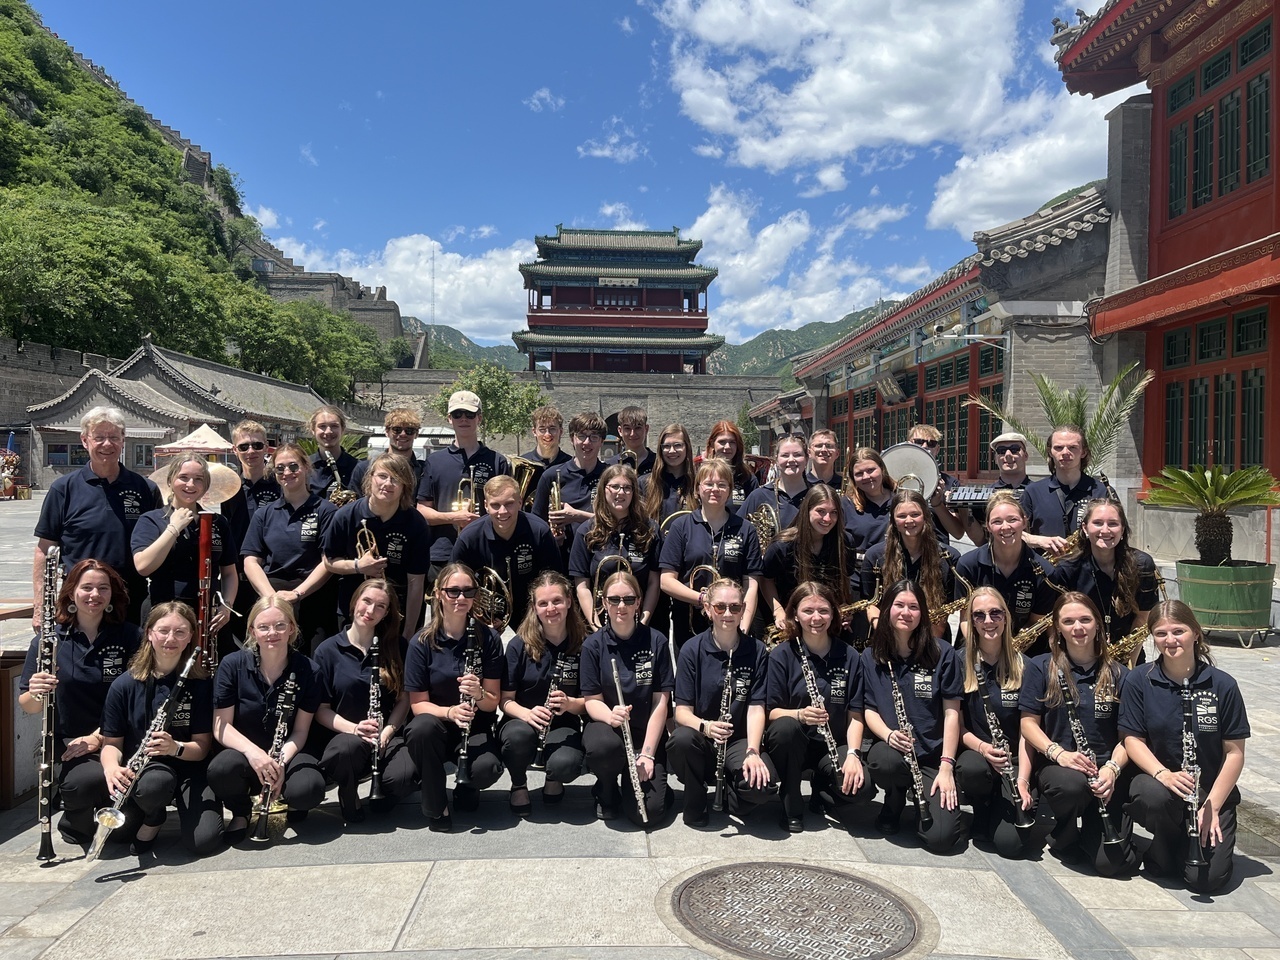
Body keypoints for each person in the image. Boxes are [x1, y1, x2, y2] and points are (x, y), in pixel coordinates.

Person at [1121, 601, 1250, 893]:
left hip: (1209, 790)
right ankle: (1164, 847)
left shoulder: (1223, 685)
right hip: (1162, 783)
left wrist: (1212, 805)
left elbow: (1235, 753)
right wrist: (1163, 774)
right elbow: (1132, 740)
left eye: (1178, 631)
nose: (1170, 640)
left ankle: (1184, 842)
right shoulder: (1139, 679)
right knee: (1151, 797)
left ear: (1195, 633)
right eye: (1160, 633)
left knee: (1207, 881)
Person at [19, 559, 142, 847]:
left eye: (103, 588)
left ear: (112, 594)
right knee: (84, 785)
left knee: (125, 831)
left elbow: (137, 700)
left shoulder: (130, 636)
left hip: (120, 738)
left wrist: (99, 738)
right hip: (71, 745)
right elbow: (28, 704)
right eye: (86, 587)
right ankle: (78, 810)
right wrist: (37, 691)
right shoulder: (48, 641)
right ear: (71, 592)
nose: (95, 595)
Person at [1019, 592, 1138, 875]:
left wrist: (1111, 770)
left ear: (1098, 624)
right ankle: (1065, 832)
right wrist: (1058, 754)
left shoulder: (1120, 674)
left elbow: (1129, 737)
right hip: (1060, 766)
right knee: (1070, 786)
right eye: (1069, 621)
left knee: (1112, 864)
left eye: (1085, 620)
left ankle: (1092, 831)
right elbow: (1027, 724)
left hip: (1106, 772)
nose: (1078, 628)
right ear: (1058, 628)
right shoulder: (1040, 666)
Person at [99, 602, 221, 855]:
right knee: (120, 834)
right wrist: (111, 767)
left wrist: (174, 747)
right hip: (148, 773)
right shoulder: (125, 685)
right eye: (163, 631)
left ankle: (160, 808)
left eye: (180, 632)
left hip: (190, 769)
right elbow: (111, 744)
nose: (170, 639)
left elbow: (202, 748)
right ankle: (153, 817)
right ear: (149, 633)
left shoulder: (200, 684)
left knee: (204, 841)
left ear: (190, 638)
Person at [209, 597, 326, 844]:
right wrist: (255, 755)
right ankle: (241, 812)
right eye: (263, 627)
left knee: (308, 789)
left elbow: (301, 730)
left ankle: (289, 798)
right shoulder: (232, 665)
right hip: (245, 752)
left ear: (292, 628)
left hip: (286, 750)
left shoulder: (309, 670)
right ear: (252, 631)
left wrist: (280, 762)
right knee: (221, 769)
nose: (272, 633)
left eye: (280, 626)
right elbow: (221, 727)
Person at [32, 405, 160, 627]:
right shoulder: (63, 489)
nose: (107, 444)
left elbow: (159, 547)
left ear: (123, 440)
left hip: (132, 601)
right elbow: (45, 550)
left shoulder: (145, 489)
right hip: (80, 602)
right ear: (85, 441)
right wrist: (39, 607)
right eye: (99, 437)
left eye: (113, 437)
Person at [862, 579, 965, 852]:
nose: (905, 612)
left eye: (914, 607)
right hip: (893, 750)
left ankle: (923, 804)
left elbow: (952, 714)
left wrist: (946, 767)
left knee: (941, 839)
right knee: (884, 762)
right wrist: (888, 735)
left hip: (932, 756)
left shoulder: (944, 653)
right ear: (886, 610)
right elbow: (869, 708)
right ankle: (894, 800)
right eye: (899, 605)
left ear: (923, 614)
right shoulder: (871, 655)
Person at [402, 563, 505, 832]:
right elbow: (417, 705)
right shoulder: (421, 642)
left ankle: (466, 784)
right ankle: (436, 805)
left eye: (468, 592)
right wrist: (450, 712)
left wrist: (478, 693)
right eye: (453, 592)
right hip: (437, 728)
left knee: (487, 769)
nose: (461, 598)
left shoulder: (489, 638)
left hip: (476, 726)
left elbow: (493, 701)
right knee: (421, 728)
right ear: (438, 593)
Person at [765, 581, 871, 833]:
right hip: (793, 745)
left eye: (823, 611)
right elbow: (771, 712)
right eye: (808, 611)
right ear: (795, 615)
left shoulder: (850, 656)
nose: (816, 618)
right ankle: (790, 800)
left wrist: (854, 755)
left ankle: (823, 789)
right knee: (786, 728)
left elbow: (856, 715)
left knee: (862, 790)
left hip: (831, 743)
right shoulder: (782, 654)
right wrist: (799, 715)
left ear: (833, 614)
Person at [669, 578, 774, 827]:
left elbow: (757, 707)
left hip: (738, 740)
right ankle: (695, 798)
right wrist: (706, 726)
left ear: (742, 610)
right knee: (681, 740)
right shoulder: (691, 649)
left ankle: (728, 791)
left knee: (760, 789)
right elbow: (681, 713)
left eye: (735, 607)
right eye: (720, 607)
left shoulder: (757, 650)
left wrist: (753, 751)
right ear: (707, 609)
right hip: (702, 739)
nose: (727, 613)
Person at [311, 579, 415, 823]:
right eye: (366, 601)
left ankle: (385, 790)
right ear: (354, 602)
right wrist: (355, 729)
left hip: (385, 734)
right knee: (346, 749)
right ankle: (348, 789)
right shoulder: (327, 650)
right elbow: (320, 710)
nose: (370, 611)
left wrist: (388, 731)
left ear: (387, 613)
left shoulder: (396, 645)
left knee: (405, 777)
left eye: (380, 606)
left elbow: (404, 699)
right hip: (345, 737)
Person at [581, 570, 674, 826]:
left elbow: (661, 703)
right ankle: (606, 789)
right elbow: (591, 701)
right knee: (603, 748)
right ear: (604, 603)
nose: (621, 606)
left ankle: (639, 787)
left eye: (629, 599)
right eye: (614, 600)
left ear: (639, 602)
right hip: (609, 731)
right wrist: (610, 716)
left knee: (649, 815)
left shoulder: (656, 640)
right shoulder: (593, 645)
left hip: (646, 734)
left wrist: (647, 754)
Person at [955, 588, 1037, 858]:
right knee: (971, 769)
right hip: (978, 755)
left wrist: (1022, 779)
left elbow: (1029, 731)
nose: (988, 621)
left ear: (1006, 618)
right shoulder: (958, 662)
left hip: (1015, 761)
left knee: (1010, 846)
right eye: (979, 615)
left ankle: (1002, 804)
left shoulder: (1026, 666)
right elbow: (957, 725)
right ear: (971, 621)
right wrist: (982, 748)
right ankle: (981, 807)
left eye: (995, 613)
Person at [499, 572, 589, 816]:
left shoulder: (584, 644)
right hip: (520, 719)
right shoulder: (519, 644)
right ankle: (518, 783)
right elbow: (504, 700)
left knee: (567, 764)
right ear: (535, 607)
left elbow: (591, 702)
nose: (551, 608)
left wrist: (570, 703)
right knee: (516, 739)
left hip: (564, 721)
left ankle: (554, 776)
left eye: (557, 601)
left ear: (569, 601)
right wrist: (527, 714)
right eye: (543, 603)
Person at [241, 442, 337, 651]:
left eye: (293, 466)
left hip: (313, 597)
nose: (287, 472)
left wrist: (297, 594)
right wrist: (270, 597)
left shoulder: (326, 510)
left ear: (306, 467)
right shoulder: (264, 514)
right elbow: (250, 560)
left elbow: (327, 560)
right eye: (280, 468)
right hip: (273, 600)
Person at [659, 459, 764, 648]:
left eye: (722, 485)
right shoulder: (681, 526)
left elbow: (751, 584)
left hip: (732, 622)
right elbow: (666, 581)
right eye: (708, 484)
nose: (715, 489)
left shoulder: (746, 529)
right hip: (690, 626)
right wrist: (703, 599)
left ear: (730, 491)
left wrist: (744, 626)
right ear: (698, 489)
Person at [131, 452, 238, 637]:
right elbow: (143, 566)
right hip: (163, 613)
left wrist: (226, 606)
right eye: (183, 477)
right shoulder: (151, 520)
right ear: (171, 480)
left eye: (198, 479)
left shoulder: (218, 522)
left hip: (207, 615)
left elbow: (229, 573)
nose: (190, 484)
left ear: (206, 485)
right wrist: (173, 528)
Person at [324, 453, 430, 637]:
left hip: (397, 611)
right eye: (382, 476)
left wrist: (408, 630)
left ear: (405, 485)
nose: (388, 484)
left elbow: (416, 583)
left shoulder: (416, 522)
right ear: (370, 478)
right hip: (353, 608)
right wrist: (358, 566)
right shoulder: (346, 516)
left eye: (396, 479)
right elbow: (329, 561)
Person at [417, 391, 512, 586]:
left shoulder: (497, 461)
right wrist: (454, 518)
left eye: (469, 414)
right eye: (457, 414)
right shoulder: (434, 462)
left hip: (486, 548)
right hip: (443, 551)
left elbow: (508, 509)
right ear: (449, 419)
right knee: (443, 614)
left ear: (479, 418)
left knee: (485, 614)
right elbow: (422, 510)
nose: (463, 419)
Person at [1051, 498, 1160, 661]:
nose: (1105, 530)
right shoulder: (1067, 569)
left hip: (1129, 655)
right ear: (1085, 528)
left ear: (1123, 529)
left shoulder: (1142, 565)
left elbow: (1143, 619)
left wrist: (1129, 666)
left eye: (1113, 523)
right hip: (1080, 656)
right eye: (1098, 523)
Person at [955, 492, 1062, 655]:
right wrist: (984, 651)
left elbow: (1035, 622)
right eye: (997, 521)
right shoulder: (968, 565)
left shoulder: (1045, 571)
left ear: (1024, 522)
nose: (1005, 527)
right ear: (988, 526)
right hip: (976, 649)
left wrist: (1008, 651)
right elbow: (965, 619)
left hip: (1024, 653)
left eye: (1012, 520)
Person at [452, 475, 563, 630]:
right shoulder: (469, 537)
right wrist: (475, 612)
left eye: (509, 504)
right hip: (484, 614)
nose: (502, 512)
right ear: (485, 505)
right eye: (495, 505)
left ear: (520, 502)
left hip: (531, 608)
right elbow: (454, 584)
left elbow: (554, 578)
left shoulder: (539, 531)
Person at [861, 490, 961, 638]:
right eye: (901, 516)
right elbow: (870, 603)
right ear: (893, 520)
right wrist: (884, 632)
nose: (909, 521)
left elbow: (948, 608)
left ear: (926, 516)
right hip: (888, 638)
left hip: (934, 638)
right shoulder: (874, 556)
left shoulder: (949, 557)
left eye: (915, 514)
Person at [571, 465, 660, 630]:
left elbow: (654, 582)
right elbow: (582, 585)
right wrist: (595, 626)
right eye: (615, 487)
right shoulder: (586, 531)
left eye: (627, 488)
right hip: (599, 622)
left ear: (634, 493)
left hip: (640, 623)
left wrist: (642, 622)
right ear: (604, 489)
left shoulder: (650, 529)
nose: (621, 492)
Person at [761, 484, 855, 633]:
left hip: (827, 621)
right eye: (821, 511)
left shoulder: (845, 542)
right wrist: (778, 611)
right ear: (807, 510)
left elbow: (845, 579)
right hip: (791, 622)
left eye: (833, 512)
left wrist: (844, 605)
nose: (827, 518)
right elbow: (766, 579)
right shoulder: (782, 545)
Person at [1021, 424, 1111, 557]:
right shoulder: (1033, 492)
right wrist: (1037, 540)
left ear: (1083, 452)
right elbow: (1012, 532)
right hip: (1046, 571)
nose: (1065, 452)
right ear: (1050, 452)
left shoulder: (1101, 491)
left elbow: (1117, 530)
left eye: (1072, 447)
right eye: (1058, 447)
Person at [532, 411, 608, 547]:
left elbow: (620, 521)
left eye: (594, 437)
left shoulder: (610, 476)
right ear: (572, 439)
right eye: (581, 436)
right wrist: (551, 535)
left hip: (601, 551)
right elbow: (536, 522)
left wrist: (576, 516)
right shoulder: (551, 475)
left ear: (602, 441)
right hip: (563, 553)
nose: (587, 442)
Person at [906, 423, 969, 548]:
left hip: (936, 549)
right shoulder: (893, 477)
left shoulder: (950, 483)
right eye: (919, 441)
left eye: (931, 444)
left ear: (937, 449)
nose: (925, 446)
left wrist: (938, 504)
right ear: (909, 444)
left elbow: (958, 533)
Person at [740, 435, 811, 538]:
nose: (791, 460)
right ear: (776, 461)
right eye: (785, 455)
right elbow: (738, 529)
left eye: (797, 455)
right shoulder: (759, 496)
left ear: (807, 459)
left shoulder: (817, 495)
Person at [351, 407, 427, 493]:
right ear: (387, 432)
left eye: (409, 430)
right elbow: (355, 504)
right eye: (397, 430)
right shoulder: (364, 469)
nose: (403, 434)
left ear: (416, 434)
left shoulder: (425, 471)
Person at [843, 447, 895, 570]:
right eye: (859, 474)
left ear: (882, 469)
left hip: (894, 572)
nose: (866, 477)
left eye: (871, 470)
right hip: (857, 577)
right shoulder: (845, 504)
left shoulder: (900, 500)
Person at [640, 423, 697, 527]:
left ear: (687, 447)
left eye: (677, 445)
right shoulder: (644, 483)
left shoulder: (698, 484)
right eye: (666, 446)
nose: (672, 451)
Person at [703, 420, 758, 510]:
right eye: (722, 442)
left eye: (732, 442)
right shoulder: (702, 475)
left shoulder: (748, 479)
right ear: (712, 443)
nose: (727, 447)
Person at [308, 405, 358, 500]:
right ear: (313, 429)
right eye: (322, 426)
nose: (328, 431)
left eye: (334, 426)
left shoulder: (358, 468)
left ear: (342, 429)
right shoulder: (304, 467)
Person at [608, 405, 656, 478]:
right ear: (620, 431)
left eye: (638, 428)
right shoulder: (610, 464)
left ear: (646, 429)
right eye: (627, 428)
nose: (632, 434)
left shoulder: (659, 463)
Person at [519, 404, 572, 470]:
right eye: (542, 429)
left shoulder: (571, 465)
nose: (547, 434)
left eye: (552, 428)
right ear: (534, 432)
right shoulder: (521, 465)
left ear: (560, 432)